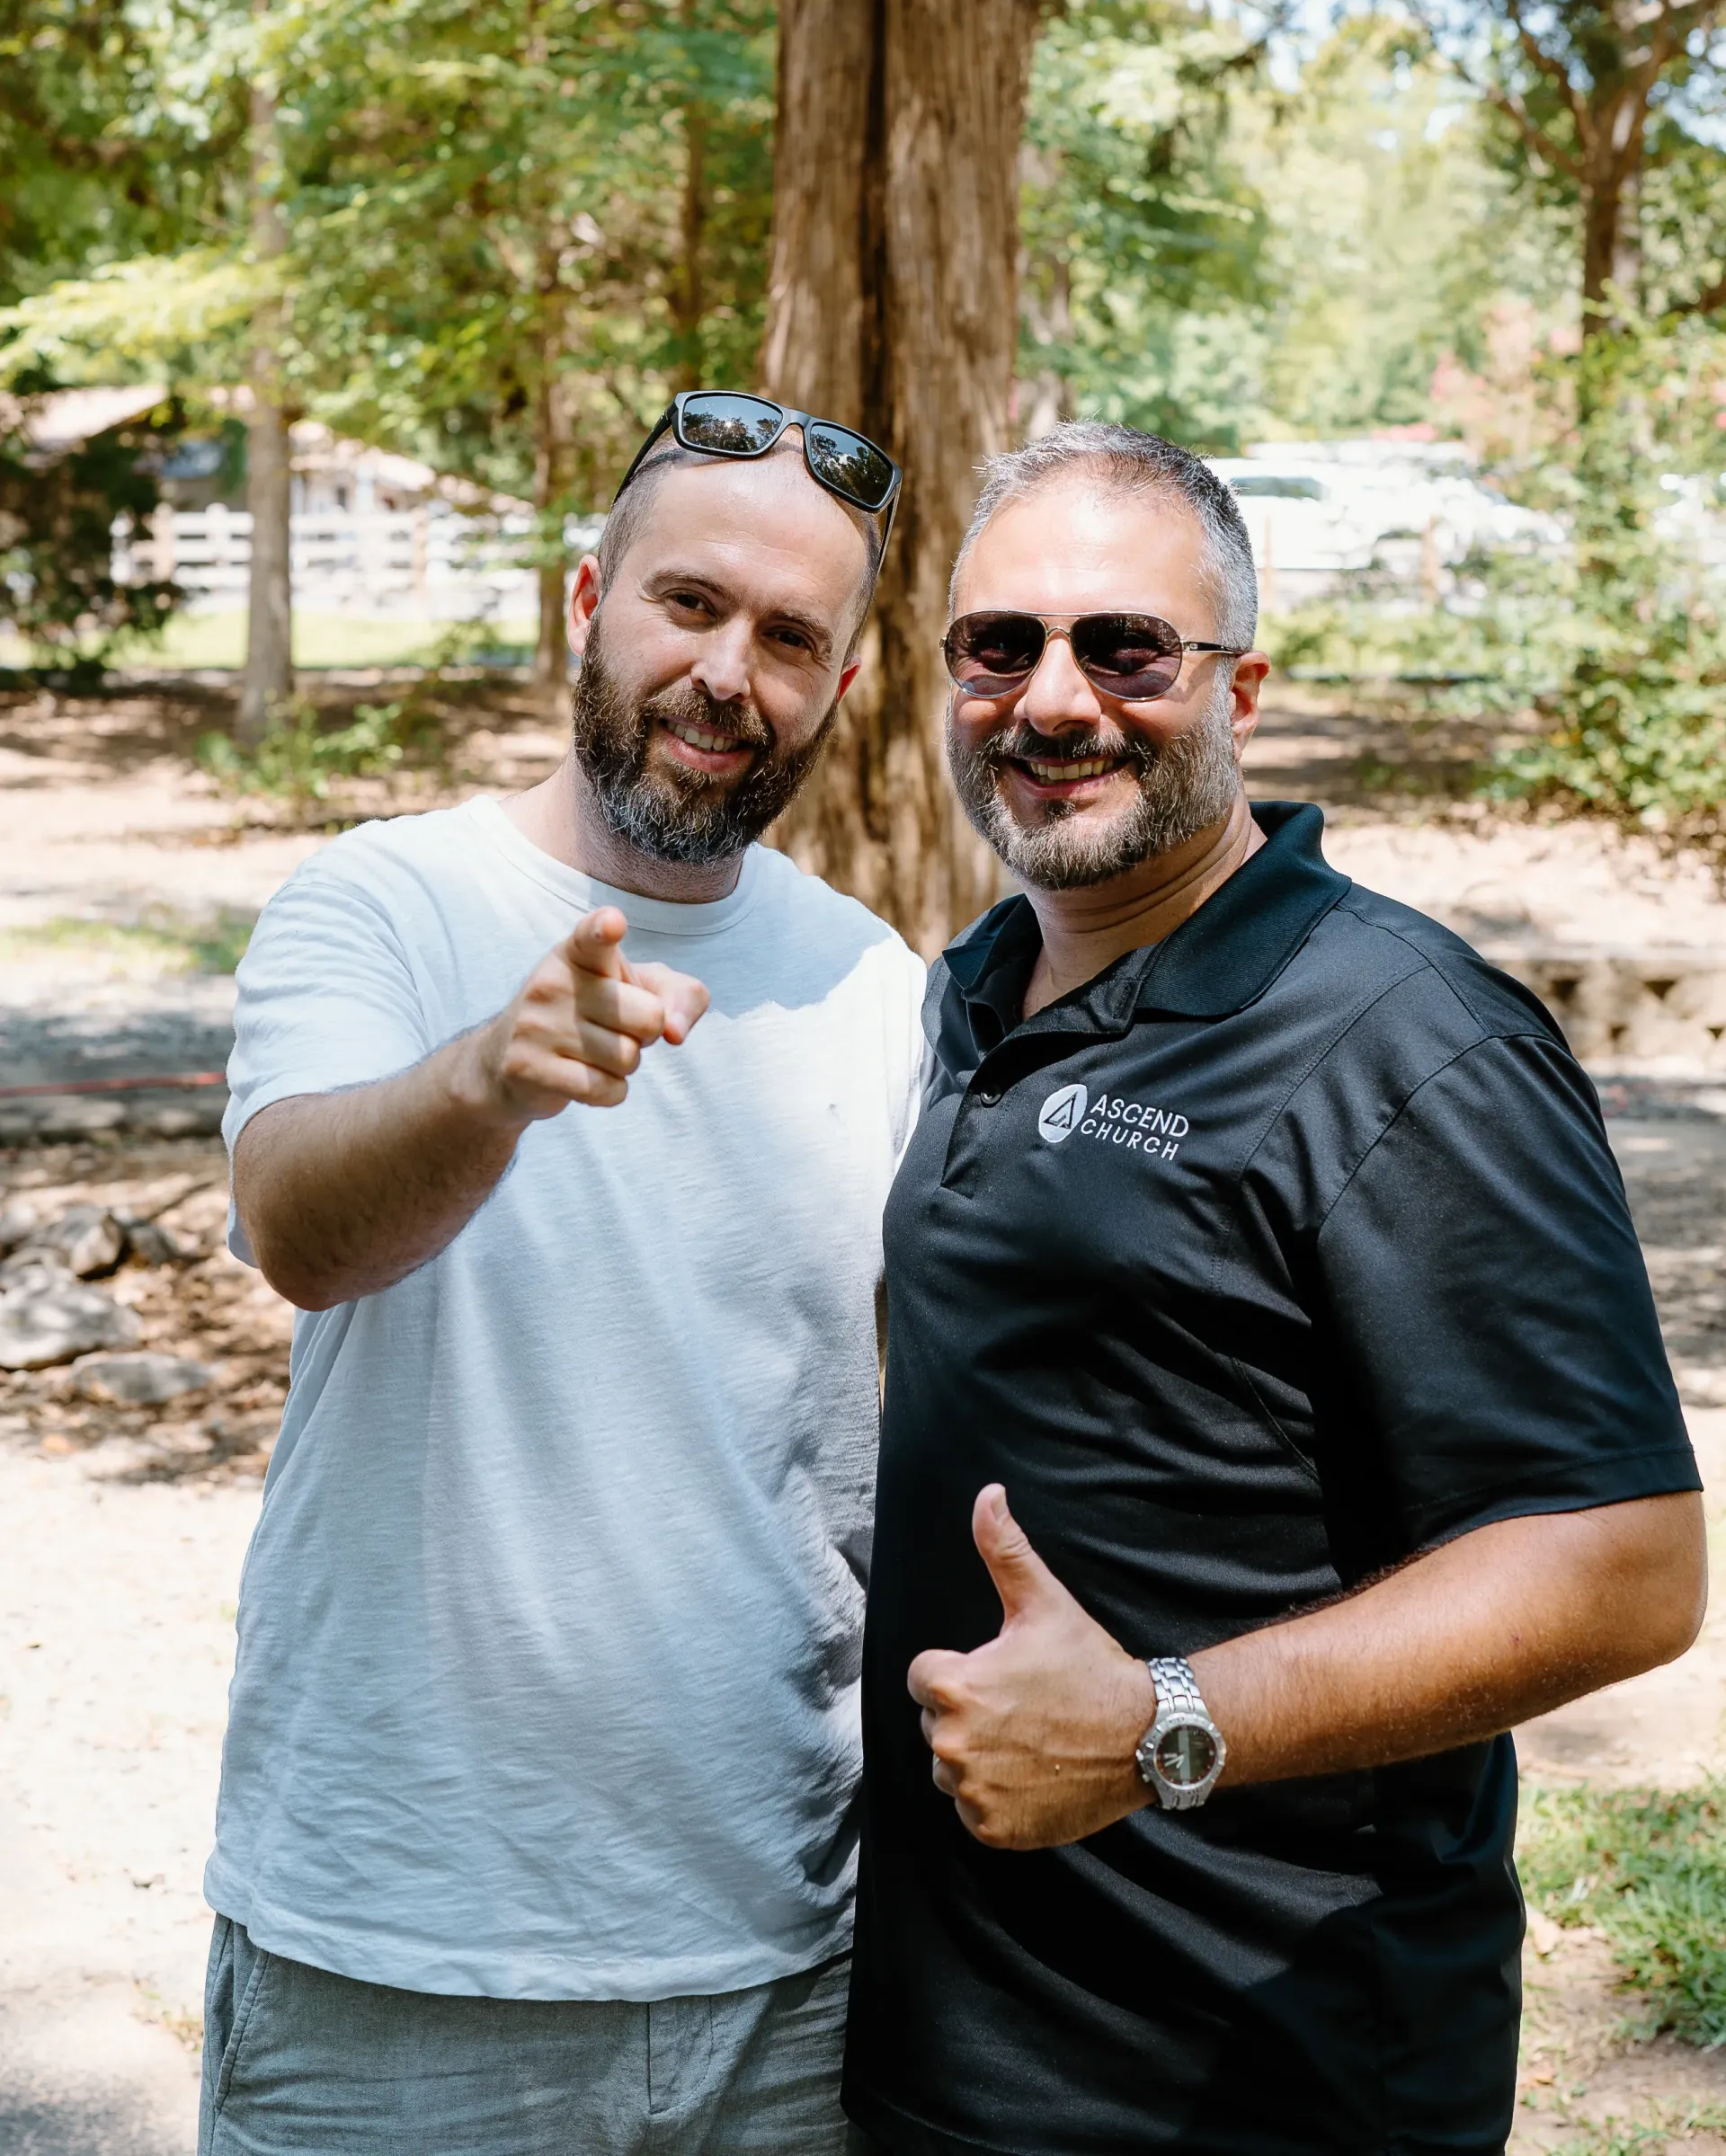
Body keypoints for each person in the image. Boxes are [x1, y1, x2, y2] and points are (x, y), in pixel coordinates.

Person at [845, 420, 1706, 2156]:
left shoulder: (1404, 1039)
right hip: (953, 2054)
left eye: (1126, 648)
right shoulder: (969, 993)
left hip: (1264, 2078)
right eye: (1001, 645)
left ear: (1242, 686)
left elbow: (1625, 1568)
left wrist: (1160, 1724)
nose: (1055, 700)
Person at [200, 393, 923, 2156]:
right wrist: (486, 1082)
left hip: (785, 1973)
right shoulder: (380, 904)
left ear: (838, 685)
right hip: (396, 1963)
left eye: (789, 638)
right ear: (587, 604)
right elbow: (298, 1229)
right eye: (690, 604)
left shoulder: (880, 987)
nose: (727, 675)